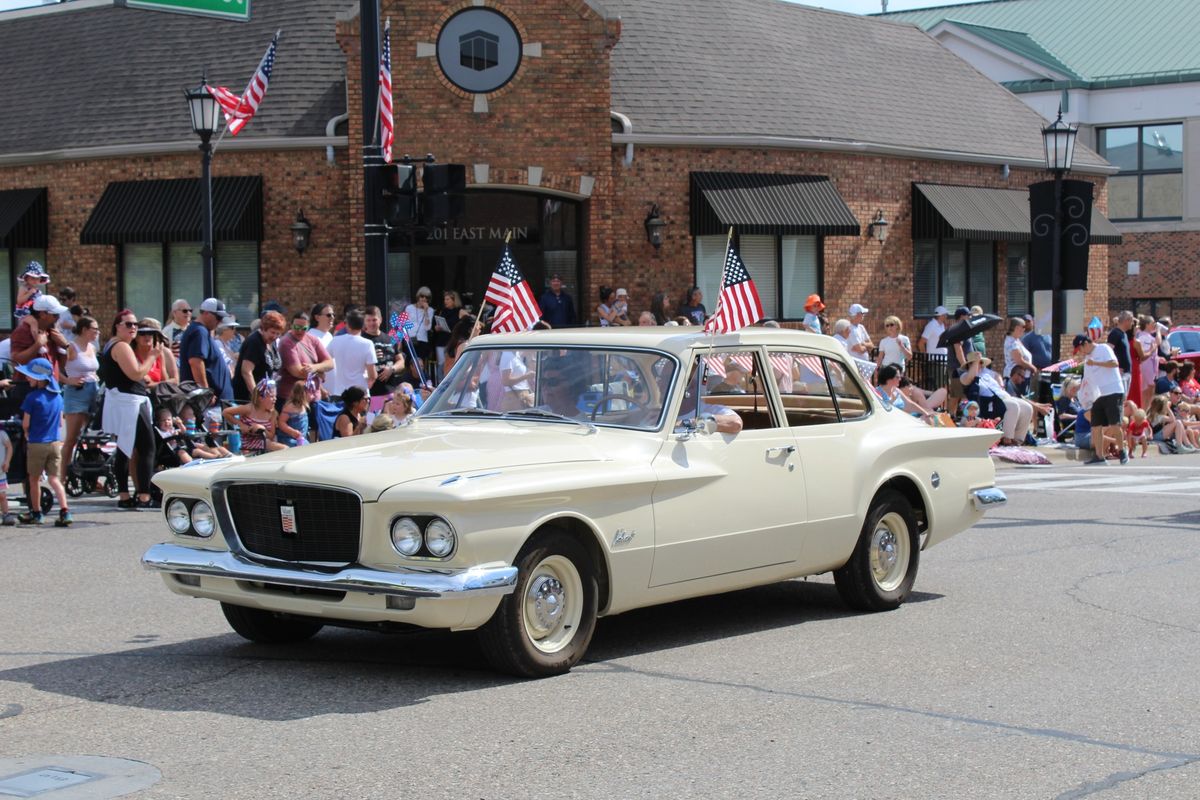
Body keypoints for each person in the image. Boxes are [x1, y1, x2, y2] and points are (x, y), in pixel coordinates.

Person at [100, 310, 160, 508]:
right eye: (128, 324)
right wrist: (152, 357)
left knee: (125, 449)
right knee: (146, 448)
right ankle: (144, 496)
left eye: (135, 324)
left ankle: (125, 496)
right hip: (129, 402)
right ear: (117, 326)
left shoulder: (112, 345)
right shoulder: (121, 346)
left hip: (122, 401)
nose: (133, 327)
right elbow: (135, 374)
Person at [16, 357, 70, 526]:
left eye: (30, 376)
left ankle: (36, 512)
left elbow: (26, 423)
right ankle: (65, 511)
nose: (27, 378)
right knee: (54, 479)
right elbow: (61, 422)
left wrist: (26, 433)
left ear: (40, 379)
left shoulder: (32, 398)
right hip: (54, 443)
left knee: (33, 479)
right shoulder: (58, 397)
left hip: (37, 442)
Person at [1074, 333, 1129, 465]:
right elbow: (1087, 378)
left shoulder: (1103, 348)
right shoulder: (1088, 358)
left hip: (1112, 390)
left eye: (1080, 349)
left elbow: (1114, 363)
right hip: (1097, 394)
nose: (1080, 352)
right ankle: (1099, 456)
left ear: (1085, 344)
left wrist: (1096, 362)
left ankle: (1122, 451)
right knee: (1095, 426)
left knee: (1114, 423)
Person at [278, 311, 334, 433]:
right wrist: (320, 372)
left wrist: (314, 368)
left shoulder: (312, 340)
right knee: (296, 435)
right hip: (293, 400)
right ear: (291, 326)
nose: (299, 331)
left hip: (313, 398)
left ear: (308, 327)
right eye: (296, 327)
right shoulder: (286, 342)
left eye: (303, 328)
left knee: (315, 432)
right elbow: (297, 371)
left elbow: (330, 363)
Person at [10, 294, 69, 407]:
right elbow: (16, 359)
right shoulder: (23, 331)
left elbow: (62, 365)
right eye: (55, 314)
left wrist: (64, 345)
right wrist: (37, 345)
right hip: (29, 390)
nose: (58, 317)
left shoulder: (52, 332)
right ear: (42, 314)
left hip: (52, 388)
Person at [60, 315, 99, 484]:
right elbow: (55, 369)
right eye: (94, 329)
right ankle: (62, 477)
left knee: (93, 437)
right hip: (76, 392)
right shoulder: (71, 348)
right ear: (84, 330)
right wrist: (69, 380)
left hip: (93, 390)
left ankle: (91, 477)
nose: (97, 332)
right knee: (71, 438)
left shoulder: (92, 347)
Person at [179, 298, 234, 402]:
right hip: (208, 404)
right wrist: (205, 392)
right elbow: (196, 362)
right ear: (206, 313)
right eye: (218, 317)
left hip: (217, 402)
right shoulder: (199, 331)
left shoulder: (202, 331)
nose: (220, 321)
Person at [224, 378, 287, 455]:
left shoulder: (272, 413)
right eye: (271, 396)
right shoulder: (249, 409)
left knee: (285, 449)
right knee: (284, 448)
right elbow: (226, 412)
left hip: (264, 444)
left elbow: (271, 436)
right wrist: (241, 425)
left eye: (275, 396)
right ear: (261, 398)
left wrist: (262, 429)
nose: (275, 399)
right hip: (248, 445)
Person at [233, 311, 284, 401]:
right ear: (263, 329)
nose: (275, 336)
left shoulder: (271, 343)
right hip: (247, 397)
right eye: (272, 332)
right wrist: (256, 397)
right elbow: (246, 372)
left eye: (278, 333)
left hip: (267, 395)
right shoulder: (254, 342)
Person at [326, 310, 378, 399]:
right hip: (361, 392)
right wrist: (369, 383)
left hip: (339, 392)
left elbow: (324, 358)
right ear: (363, 325)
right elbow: (372, 375)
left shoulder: (335, 340)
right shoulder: (368, 343)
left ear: (347, 324)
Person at [363, 305, 407, 396]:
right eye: (368, 320)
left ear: (380, 320)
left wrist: (392, 369)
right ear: (364, 322)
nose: (371, 323)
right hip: (369, 392)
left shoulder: (390, 339)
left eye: (374, 320)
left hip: (390, 391)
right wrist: (370, 356)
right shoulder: (361, 340)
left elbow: (401, 361)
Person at [135, 318, 177, 387]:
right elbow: (142, 384)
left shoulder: (160, 354)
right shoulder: (131, 354)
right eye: (142, 333)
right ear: (136, 337)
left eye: (150, 333)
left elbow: (168, 381)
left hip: (159, 394)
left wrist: (152, 384)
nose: (147, 336)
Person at [1107, 310, 1135, 404]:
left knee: (1124, 399)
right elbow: (1108, 352)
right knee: (1120, 400)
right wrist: (1115, 368)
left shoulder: (1124, 334)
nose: (1132, 324)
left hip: (1127, 372)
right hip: (1120, 373)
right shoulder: (1115, 333)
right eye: (1131, 321)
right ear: (1127, 320)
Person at [1002, 317, 1036, 396]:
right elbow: (1019, 360)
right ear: (1017, 327)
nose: (1024, 329)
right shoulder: (1011, 342)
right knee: (1019, 400)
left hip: (1022, 376)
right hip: (1015, 377)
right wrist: (1032, 368)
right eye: (1023, 327)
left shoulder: (1016, 340)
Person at [13, 261, 50, 330]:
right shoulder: (24, 288)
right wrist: (29, 293)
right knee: (34, 323)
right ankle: (37, 340)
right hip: (25, 314)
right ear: (26, 278)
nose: (35, 281)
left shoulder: (38, 291)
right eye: (33, 278)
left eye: (37, 278)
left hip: (35, 313)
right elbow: (19, 301)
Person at [403, 287, 436, 363]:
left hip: (422, 339)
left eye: (426, 297)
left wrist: (426, 311)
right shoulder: (409, 308)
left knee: (420, 362)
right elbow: (404, 324)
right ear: (418, 297)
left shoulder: (430, 310)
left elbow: (428, 327)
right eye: (422, 296)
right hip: (410, 338)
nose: (424, 299)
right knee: (410, 362)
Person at [434, 290, 463, 372]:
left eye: (448, 299)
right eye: (444, 299)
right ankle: (440, 383)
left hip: (452, 341)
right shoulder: (442, 311)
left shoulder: (459, 311)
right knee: (441, 364)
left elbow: (468, 320)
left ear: (454, 300)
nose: (445, 301)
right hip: (441, 341)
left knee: (452, 364)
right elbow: (437, 323)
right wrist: (436, 327)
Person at [277, 382, 310, 447]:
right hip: (288, 438)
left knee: (307, 447)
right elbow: (281, 422)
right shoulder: (290, 406)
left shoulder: (303, 405)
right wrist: (292, 432)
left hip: (301, 438)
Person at [0, 425, 13, 525]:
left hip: (1, 471)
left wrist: (7, 461)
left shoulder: (2, 434)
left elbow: (9, 447)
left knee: (2, 495)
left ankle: (6, 514)